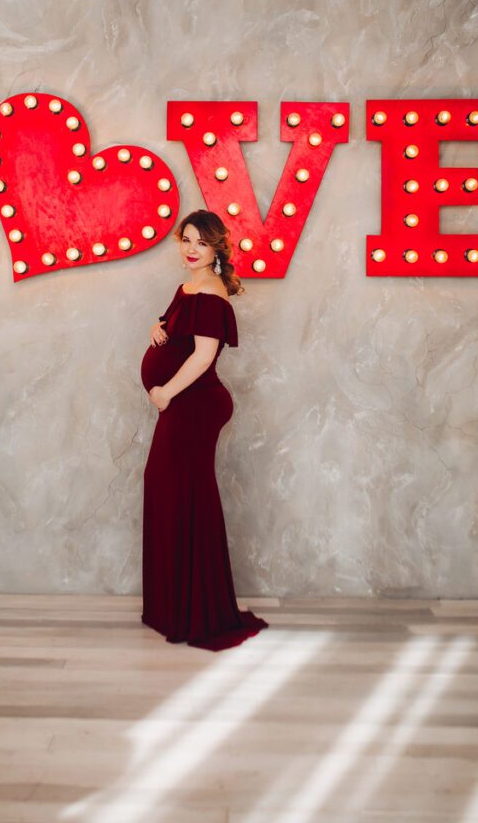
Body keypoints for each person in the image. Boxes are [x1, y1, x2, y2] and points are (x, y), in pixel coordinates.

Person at [139, 208, 269, 651]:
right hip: (183, 403)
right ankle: (172, 604)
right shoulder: (189, 287)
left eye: (201, 242)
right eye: (186, 239)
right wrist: (157, 328)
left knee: (183, 496)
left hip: (194, 404)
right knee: (166, 490)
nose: (191, 249)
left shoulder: (212, 294)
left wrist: (165, 393)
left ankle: (195, 609)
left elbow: (202, 357)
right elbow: (175, 328)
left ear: (216, 247)